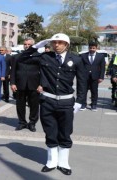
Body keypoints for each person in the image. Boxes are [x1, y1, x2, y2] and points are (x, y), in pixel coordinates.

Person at [19, 33, 87, 175]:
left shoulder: (76, 59)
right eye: (54, 42)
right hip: (47, 101)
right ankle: (51, 161)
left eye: (60, 42)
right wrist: (37, 46)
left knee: (65, 132)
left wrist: (80, 101)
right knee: (50, 131)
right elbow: (23, 58)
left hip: (66, 102)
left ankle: (63, 163)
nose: (56, 45)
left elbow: (82, 81)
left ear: (66, 44)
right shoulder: (45, 57)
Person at [10, 37, 40, 132]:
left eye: (29, 44)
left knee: (34, 105)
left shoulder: (38, 56)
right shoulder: (17, 57)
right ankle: (22, 122)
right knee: (20, 104)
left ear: (33, 45)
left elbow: (43, 71)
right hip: (20, 84)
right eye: (25, 44)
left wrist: (41, 84)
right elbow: (13, 71)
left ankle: (32, 123)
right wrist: (12, 83)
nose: (27, 46)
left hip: (34, 84)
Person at [80, 42, 106, 111]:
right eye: (90, 48)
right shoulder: (83, 56)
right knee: (83, 91)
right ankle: (83, 104)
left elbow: (102, 67)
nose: (92, 49)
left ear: (96, 48)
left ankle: (93, 105)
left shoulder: (100, 56)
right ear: (88, 48)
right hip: (84, 77)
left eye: (93, 48)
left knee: (94, 92)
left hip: (95, 77)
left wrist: (101, 77)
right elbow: (80, 67)